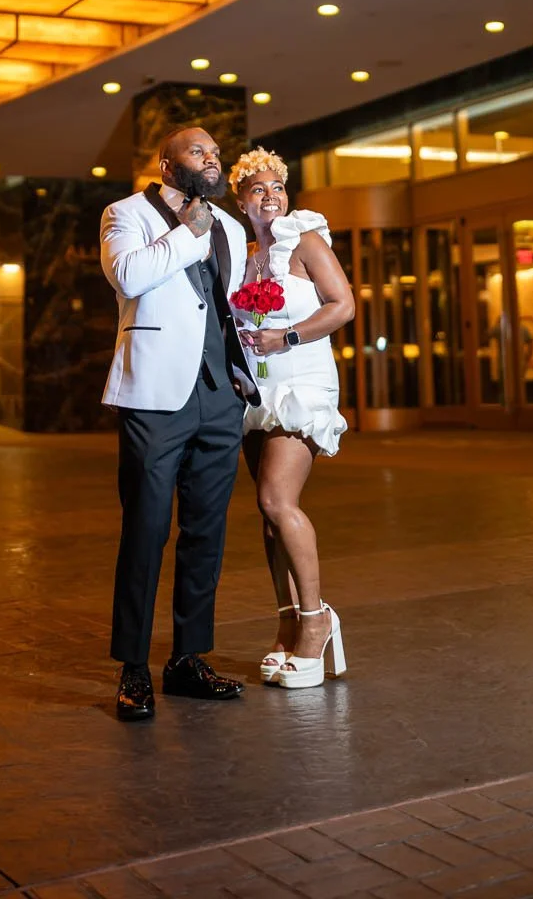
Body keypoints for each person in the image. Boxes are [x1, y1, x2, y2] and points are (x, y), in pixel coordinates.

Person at [100, 126, 259, 722]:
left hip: (220, 397)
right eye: (199, 152)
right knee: (145, 530)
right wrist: (189, 233)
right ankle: (134, 668)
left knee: (206, 533)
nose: (211, 160)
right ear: (168, 162)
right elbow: (129, 277)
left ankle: (188, 659)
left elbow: (232, 302)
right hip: (153, 394)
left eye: (216, 154)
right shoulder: (127, 213)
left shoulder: (233, 228)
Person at [229, 148, 356, 689]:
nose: (271, 197)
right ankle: (285, 626)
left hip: (302, 381)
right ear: (240, 201)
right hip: (257, 389)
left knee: (278, 500)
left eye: (277, 187)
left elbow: (342, 304)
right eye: (258, 189)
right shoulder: (243, 254)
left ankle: (315, 622)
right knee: (267, 515)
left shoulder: (303, 239)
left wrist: (288, 335)